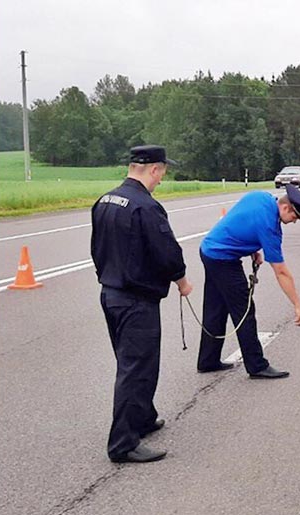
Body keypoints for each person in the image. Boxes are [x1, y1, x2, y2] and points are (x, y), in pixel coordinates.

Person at [90, 145, 192, 463]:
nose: (162, 179)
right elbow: (166, 252)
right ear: (153, 170)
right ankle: (122, 443)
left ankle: (144, 418)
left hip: (111, 294)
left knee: (134, 363)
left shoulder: (105, 200)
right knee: (137, 369)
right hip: (136, 300)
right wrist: (182, 280)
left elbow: (97, 248)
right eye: (162, 172)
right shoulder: (146, 207)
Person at [196, 184, 300, 379]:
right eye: (296, 217)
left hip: (209, 250)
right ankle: (256, 365)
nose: (295, 222)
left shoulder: (261, 197)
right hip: (224, 260)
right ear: (286, 208)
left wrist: (252, 248)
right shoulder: (270, 227)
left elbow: (241, 220)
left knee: (216, 308)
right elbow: (281, 272)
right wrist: (298, 306)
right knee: (244, 311)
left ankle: (208, 360)